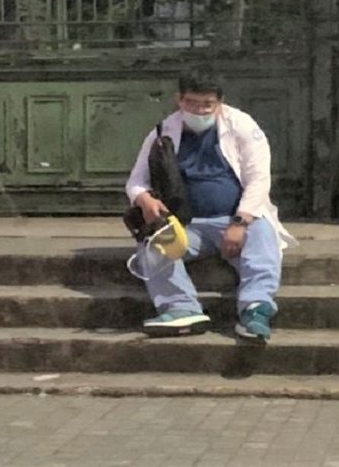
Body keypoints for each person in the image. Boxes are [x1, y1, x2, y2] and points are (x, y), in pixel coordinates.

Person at [125, 69, 297, 342]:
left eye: (208, 104)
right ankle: (181, 308)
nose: (200, 111)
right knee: (152, 245)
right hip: (188, 226)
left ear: (219, 102)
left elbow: (259, 179)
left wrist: (240, 222)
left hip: (236, 218)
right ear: (179, 99)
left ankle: (255, 310)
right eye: (192, 103)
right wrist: (143, 198)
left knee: (263, 237)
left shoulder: (242, 126)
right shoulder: (162, 131)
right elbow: (136, 181)